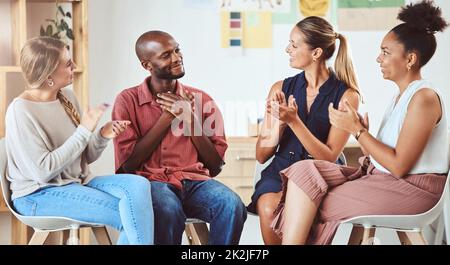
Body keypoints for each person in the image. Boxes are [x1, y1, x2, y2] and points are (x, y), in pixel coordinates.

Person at [272, 0, 449, 245]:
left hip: (413, 190)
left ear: (410, 59)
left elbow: (398, 167)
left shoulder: (424, 98)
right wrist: (361, 131)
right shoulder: (402, 96)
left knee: (310, 199)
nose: (379, 58)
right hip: (385, 180)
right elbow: (385, 158)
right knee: (304, 171)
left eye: (386, 52)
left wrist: (357, 131)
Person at [5, 37, 154, 245]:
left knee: (138, 185)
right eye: (67, 64)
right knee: (133, 215)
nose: (74, 67)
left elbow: (84, 158)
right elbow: (43, 171)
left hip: (78, 182)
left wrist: (102, 135)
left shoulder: (66, 96)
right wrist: (84, 131)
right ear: (48, 76)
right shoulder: (20, 111)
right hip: (39, 195)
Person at [112, 30, 247, 245]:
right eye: (166, 55)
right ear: (147, 65)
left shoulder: (203, 100)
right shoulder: (127, 101)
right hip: (152, 183)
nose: (177, 58)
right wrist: (168, 117)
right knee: (167, 209)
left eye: (177, 50)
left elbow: (215, 166)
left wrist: (189, 118)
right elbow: (128, 166)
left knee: (232, 205)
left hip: (196, 183)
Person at [247, 16, 360, 244]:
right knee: (268, 206)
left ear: (316, 53)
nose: (287, 49)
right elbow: (261, 155)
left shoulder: (347, 95)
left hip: (320, 174)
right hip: (280, 171)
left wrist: (294, 121)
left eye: (294, 45)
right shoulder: (280, 88)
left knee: (303, 215)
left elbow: (328, 156)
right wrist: (280, 121)